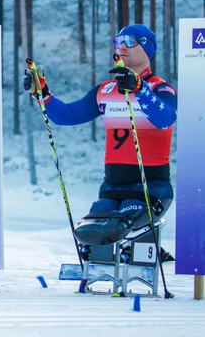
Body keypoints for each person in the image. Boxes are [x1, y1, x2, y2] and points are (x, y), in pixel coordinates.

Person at [24, 24, 177, 249]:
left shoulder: (160, 89)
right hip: (112, 187)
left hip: (150, 187)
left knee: (114, 230)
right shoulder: (105, 90)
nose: (122, 46)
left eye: (130, 41)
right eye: (118, 41)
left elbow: (165, 119)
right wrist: (43, 94)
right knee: (90, 234)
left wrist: (138, 88)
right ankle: (94, 283)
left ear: (147, 49)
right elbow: (66, 115)